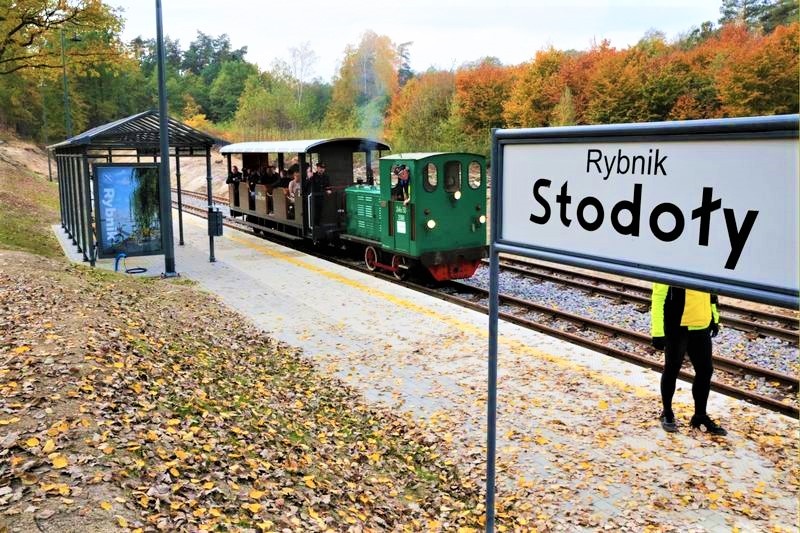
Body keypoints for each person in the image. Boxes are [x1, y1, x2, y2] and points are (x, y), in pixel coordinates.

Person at [651, 283, 726, 435]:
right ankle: (667, 413)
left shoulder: (705, 268)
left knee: (705, 371)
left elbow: (711, 293)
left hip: (701, 326)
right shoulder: (673, 268)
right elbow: (658, 297)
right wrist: (658, 332)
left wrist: (714, 317)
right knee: (672, 368)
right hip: (677, 326)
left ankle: (700, 417)